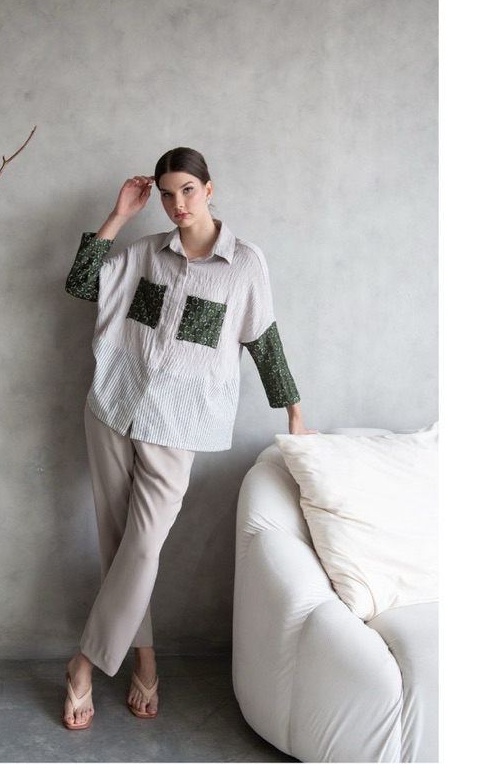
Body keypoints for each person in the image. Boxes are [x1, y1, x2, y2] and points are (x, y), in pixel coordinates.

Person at [62, 147, 312, 730]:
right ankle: (144, 658)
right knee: (119, 544)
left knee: (143, 547)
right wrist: (119, 216)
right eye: (168, 194)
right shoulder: (147, 253)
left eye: (188, 191)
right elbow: (80, 283)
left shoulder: (244, 264)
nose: (177, 204)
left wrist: (294, 411)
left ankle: (83, 664)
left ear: (209, 189)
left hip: (179, 423)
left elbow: (263, 338)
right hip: (113, 406)